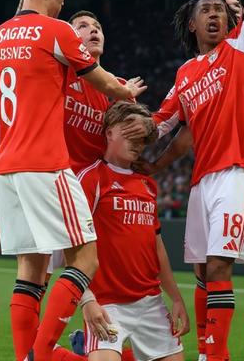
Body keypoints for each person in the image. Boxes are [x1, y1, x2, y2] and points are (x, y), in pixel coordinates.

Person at [0, 0, 146, 361]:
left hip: (6, 166)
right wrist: (125, 93)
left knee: (31, 270)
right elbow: (103, 80)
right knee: (86, 258)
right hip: (46, 164)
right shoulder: (57, 31)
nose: (63, 3)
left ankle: (25, 354)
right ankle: (37, 355)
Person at [130, 0, 244, 358]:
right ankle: (211, 352)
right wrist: (126, 132)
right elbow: (162, 125)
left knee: (220, 266)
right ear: (191, 25)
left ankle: (217, 355)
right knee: (201, 270)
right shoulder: (186, 74)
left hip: (236, 173)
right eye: (205, 11)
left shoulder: (242, 50)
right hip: (201, 182)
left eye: (220, 10)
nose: (215, 15)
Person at [75, 101, 188, 361]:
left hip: (151, 303)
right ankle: (60, 354)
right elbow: (71, 244)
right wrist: (87, 299)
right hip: (106, 304)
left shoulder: (147, 184)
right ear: (109, 133)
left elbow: (156, 246)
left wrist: (177, 298)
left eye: (143, 138)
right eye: (131, 134)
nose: (138, 142)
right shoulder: (90, 179)